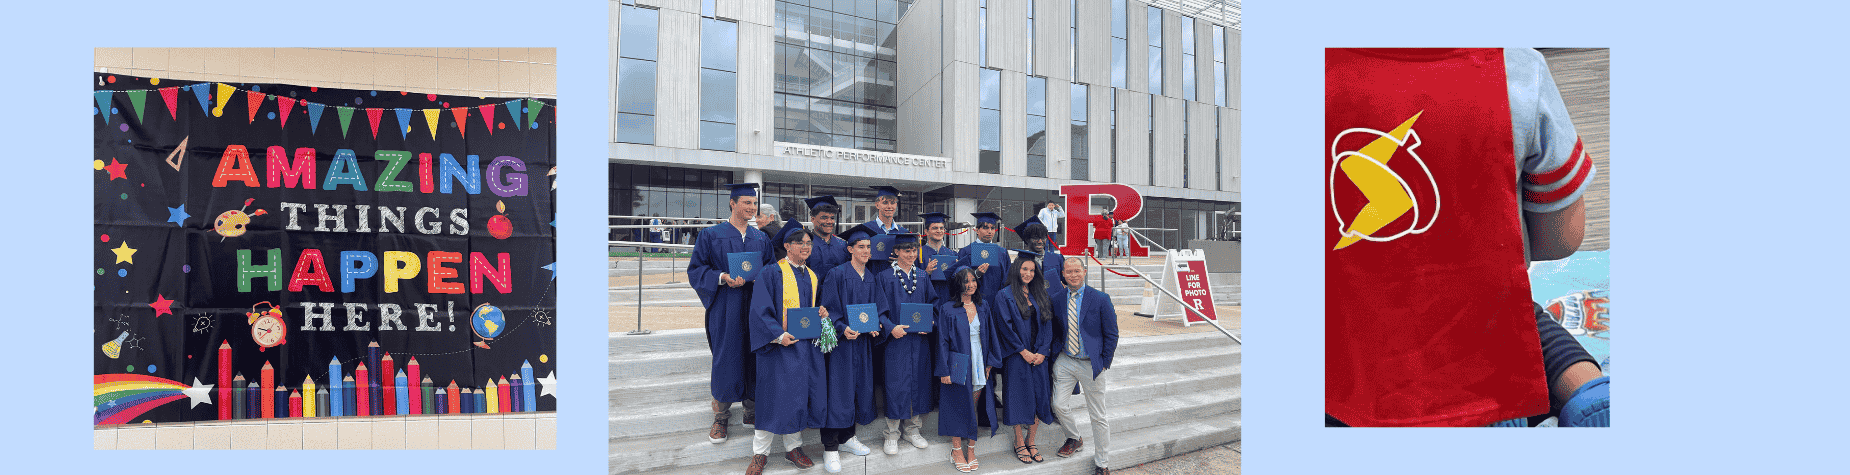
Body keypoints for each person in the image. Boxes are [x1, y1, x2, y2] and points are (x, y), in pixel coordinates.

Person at [1324, 48, 1606, 427]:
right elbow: (1561, 239)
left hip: (1343, 393)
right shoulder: (1517, 67)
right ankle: (1591, 391)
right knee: (1516, 313)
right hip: (1488, 395)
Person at [686, 183, 772, 442]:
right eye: (746, 203)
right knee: (726, 356)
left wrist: (762, 279)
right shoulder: (711, 235)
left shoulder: (761, 237)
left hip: (754, 305)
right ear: (733, 203)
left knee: (754, 354)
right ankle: (721, 417)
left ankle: (751, 410)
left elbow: (769, 269)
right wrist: (722, 277)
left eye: (754, 204)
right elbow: (696, 269)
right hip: (726, 305)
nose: (751, 208)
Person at [743, 219, 830, 474]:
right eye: (800, 243)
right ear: (787, 246)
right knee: (771, 398)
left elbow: (808, 311)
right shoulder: (772, 272)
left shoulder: (812, 275)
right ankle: (760, 454)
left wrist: (821, 312)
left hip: (804, 349)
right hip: (778, 348)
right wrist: (778, 335)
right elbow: (759, 310)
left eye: (808, 243)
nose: (806, 247)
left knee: (797, 397)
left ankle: (793, 448)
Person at [815, 223, 883, 472]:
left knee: (857, 387)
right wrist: (843, 327)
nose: (866, 251)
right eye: (861, 247)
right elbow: (828, 309)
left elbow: (877, 310)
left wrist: (876, 326)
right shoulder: (837, 274)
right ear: (850, 248)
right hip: (842, 345)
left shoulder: (871, 277)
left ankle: (847, 437)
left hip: (862, 343)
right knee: (838, 391)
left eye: (868, 247)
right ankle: (830, 447)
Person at [1049, 257, 1119, 475]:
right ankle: (1074, 437)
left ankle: (1102, 463)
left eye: (1077, 271)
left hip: (1092, 364)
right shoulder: (1057, 299)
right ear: (1063, 274)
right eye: (1068, 271)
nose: (1072, 275)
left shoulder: (1100, 298)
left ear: (1085, 271)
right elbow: (1055, 329)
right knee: (1058, 404)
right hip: (1066, 360)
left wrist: (1104, 362)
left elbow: (1112, 333)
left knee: (1098, 415)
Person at [935, 267, 1003, 472]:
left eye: (973, 280)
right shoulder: (947, 308)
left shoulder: (983, 306)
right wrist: (944, 370)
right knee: (958, 405)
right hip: (958, 361)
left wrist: (990, 361)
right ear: (958, 284)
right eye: (966, 281)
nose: (970, 285)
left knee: (973, 406)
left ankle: (971, 448)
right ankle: (957, 449)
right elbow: (942, 342)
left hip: (979, 361)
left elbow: (991, 335)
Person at [992, 249, 1055, 464]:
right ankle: (1019, 440)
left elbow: (1048, 325)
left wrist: (1043, 352)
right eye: (1024, 269)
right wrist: (1023, 351)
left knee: (1039, 395)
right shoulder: (1004, 295)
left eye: (1032, 270)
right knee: (1018, 397)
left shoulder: (1040, 294)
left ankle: (1031, 439)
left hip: (1039, 356)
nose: (1028, 273)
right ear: (1016, 270)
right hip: (1017, 355)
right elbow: (1004, 328)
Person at [876, 232, 936, 455]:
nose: (911, 254)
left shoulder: (922, 276)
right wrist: (892, 328)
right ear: (896, 252)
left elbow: (933, 304)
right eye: (906, 250)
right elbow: (878, 310)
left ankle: (912, 430)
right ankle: (892, 434)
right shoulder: (884, 277)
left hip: (919, 341)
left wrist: (930, 321)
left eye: (913, 250)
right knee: (896, 383)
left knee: (918, 382)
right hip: (896, 341)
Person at [955, 212, 1008, 304]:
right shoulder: (966, 251)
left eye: (992, 228)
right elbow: (959, 279)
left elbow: (1006, 278)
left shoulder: (1002, 252)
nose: (990, 231)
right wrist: (976, 274)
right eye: (985, 227)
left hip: (997, 301)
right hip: (973, 301)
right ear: (977, 230)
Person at [1014, 217, 1065, 290]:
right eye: (1036, 238)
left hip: (1053, 299)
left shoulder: (1058, 258)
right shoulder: (1020, 260)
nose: (1040, 241)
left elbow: (1066, 281)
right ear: (1027, 239)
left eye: (1043, 238)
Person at [806, 195, 849, 279]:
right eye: (824, 218)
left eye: (832, 218)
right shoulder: (805, 244)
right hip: (814, 291)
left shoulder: (842, 244)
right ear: (812, 219)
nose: (829, 221)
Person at [918, 212, 955, 301]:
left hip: (948, 300)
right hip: (927, 301)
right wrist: (926, 273)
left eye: (941, 228)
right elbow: (911, 279)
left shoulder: (952, 254)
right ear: (926, 231)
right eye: (935, 228)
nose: (939, 231)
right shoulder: (917, 254)